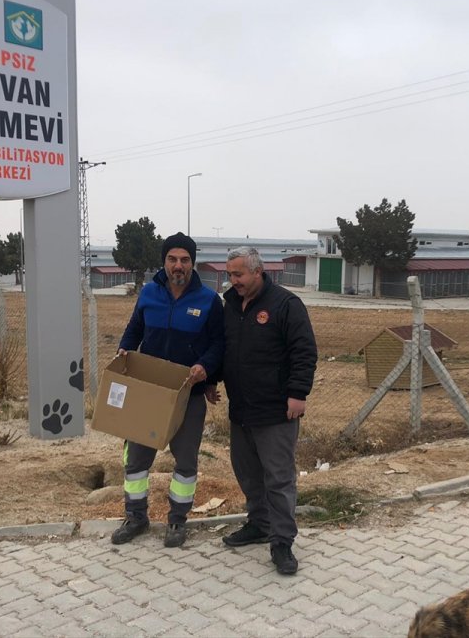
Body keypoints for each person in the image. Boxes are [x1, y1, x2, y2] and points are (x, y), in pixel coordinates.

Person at [111, 232, 224, 548]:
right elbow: (134, 329)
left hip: (188, 395)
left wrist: (205, 367)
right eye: (172, 259)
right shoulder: (149, 293)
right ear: (164, 262)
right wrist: (124, 349)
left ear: (192, 263)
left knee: (186, 463)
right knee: (136, 461)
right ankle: (136, 517)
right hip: (147, 393)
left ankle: (177, 520)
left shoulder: (209, 301)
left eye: (185, 260)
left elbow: (219, 343)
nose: (178, 265)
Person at [219, 246, 318, 575]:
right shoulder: (231, 306)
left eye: (238, 275)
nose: (233, 281)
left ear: (257, 272)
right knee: (248, 474)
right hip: (241, 410)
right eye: (229, 275)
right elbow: (225, 349)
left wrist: (298, 393)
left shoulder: (286, 305)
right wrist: (211, 380)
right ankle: (259, 525)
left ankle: (282, 542)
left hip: (276, 411)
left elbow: (304, 350)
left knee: (278, 479)